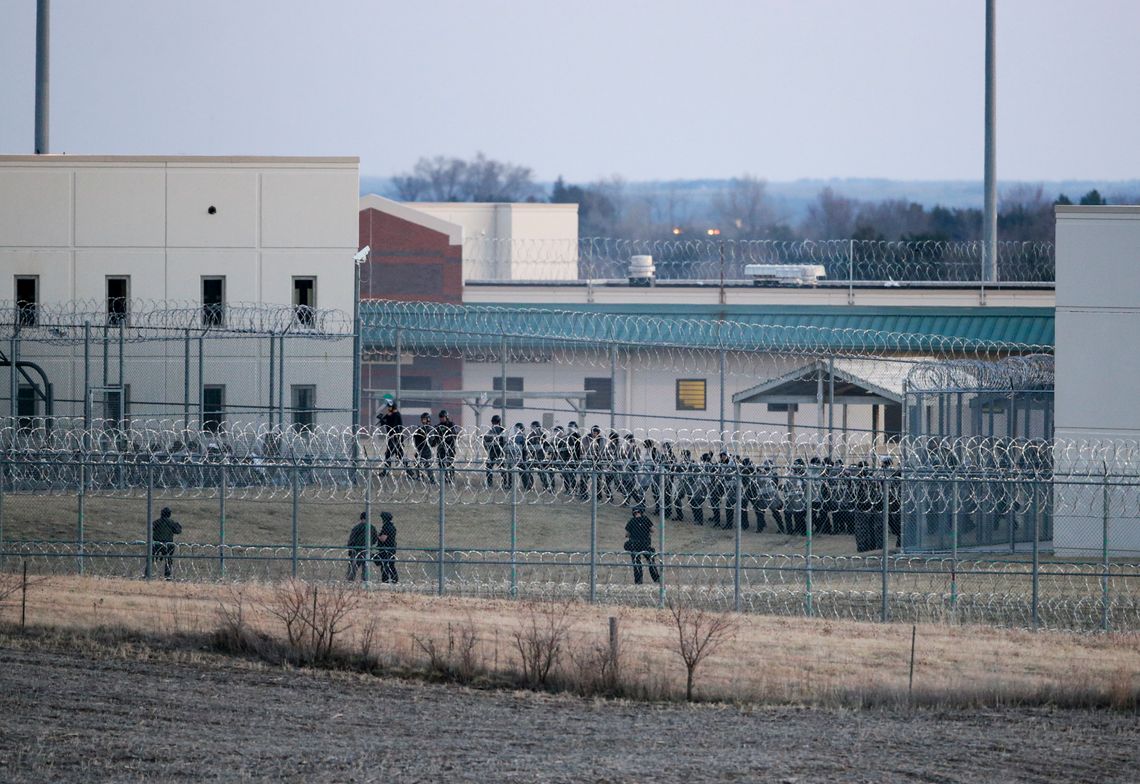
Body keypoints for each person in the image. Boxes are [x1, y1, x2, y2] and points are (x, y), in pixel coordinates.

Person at [623, 503, 661, 585]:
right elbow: (652, 530)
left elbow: (627, 534)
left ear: (633, 513)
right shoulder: (646, 519)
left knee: (637, 562)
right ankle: (656, 578)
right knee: (651, 561)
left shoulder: (632, 521)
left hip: (635, 544)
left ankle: (638, 580)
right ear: (641, 512)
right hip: (645, 544)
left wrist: (634, 532)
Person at [346, 511, 383, 581]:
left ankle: (350, 581)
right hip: (367, 550)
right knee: (365, 567)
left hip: (356, 550)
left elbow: (352, 539)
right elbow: (375, 539)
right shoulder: (372, 528)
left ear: (361, 518)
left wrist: (350, 549)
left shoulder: (357, 527)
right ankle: (365, 581)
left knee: (353, 567)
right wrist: (370, 544)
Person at [148, 506, 182, 580]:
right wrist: (178, 526)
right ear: (169, 514)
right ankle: (167, 575)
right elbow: (178, 531)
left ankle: (147, 573)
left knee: (150, 558)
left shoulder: (156, 522)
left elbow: (151, 528)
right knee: (168, 560)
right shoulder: (171, 523)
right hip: (167, 545)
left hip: (156, 544)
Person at [377, 397, 405, 475]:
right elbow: (383, 423)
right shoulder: (390, 415)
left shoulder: (396, 415)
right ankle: (386, 471)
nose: (388, 409)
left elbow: (393, 426)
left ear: (393, 407)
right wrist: (382, 419)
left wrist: (385, 420)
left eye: (389, 407)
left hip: (396, 438)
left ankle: (409, 471)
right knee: (392, 455)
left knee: (397, 455)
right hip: (392, 437)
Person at [411, 412, 437, 484]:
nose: (423, 421)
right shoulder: (422, 428)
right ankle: (419, 476)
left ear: (428, 419)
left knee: (427, 465)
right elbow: (416, 436)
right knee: (417, 462)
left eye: (424, 419)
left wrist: (424, 435)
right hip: (420, 448)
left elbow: (431, 440)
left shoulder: (430, 428)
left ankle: (432, 479)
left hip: (426, 449)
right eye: (422, 419)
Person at [483, 415, 507, 488]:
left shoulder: (496, 430)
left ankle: (503, 483)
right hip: (495, 452)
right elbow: (486, 440)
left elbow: (485, 441)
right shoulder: (496, 430)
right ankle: (500, 483)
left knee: (497, 468)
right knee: (495, 468)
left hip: (496, 452)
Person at [435, 410, 458, 484]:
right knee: (441, 463)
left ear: (446, 417)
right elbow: (436, 436)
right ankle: (444, 477)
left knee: (450, 463)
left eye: (443, 417)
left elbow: (454, 434)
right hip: (441, 448)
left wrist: (447, 439)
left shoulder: (451, 424)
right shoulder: (439, 426)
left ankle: (451, 477)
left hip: (450, 447)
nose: (441, 418)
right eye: (440, 417)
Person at [377, 511, 399, 583]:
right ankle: (394, 579)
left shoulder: (386, 527)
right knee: (391, 564)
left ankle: (385, 580)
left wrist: (377, 535)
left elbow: (383, 539)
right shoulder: (392, 526)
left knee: (385, 565)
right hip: (391, 548)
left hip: (386, 549)